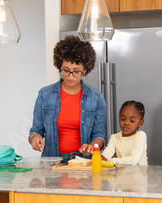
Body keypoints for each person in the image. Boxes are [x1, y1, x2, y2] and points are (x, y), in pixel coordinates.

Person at [29, 35, 106, 163]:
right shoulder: (44, 94)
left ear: (85, 69)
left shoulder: (96, 98)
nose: (70, 76)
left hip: (83, 163)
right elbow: (35, 131)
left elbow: (99, 136)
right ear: (59, 66)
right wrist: (34, 138)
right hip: (53, 162)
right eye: (66, 70)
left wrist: (92, 146)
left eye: (76, 71)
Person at [101, 100, 148, 165]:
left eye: (132, 121)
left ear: (140, 123)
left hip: (139, 174)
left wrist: (112, 161)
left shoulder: (140, 135)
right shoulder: (114, 137)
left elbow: (133, 160)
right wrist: (101, 158)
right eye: (123, 119)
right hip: (122, 174)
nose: (126, 123)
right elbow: (107, 153)